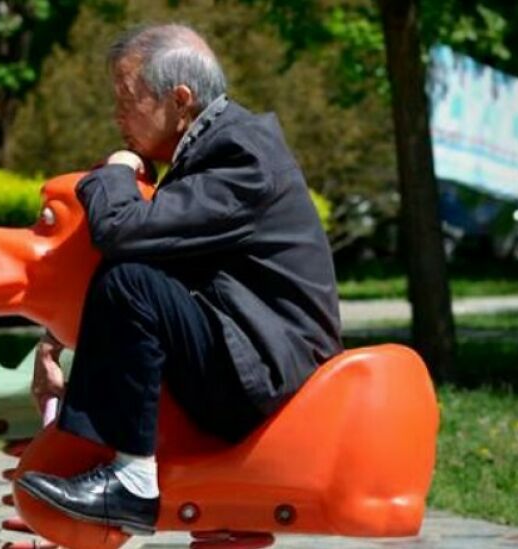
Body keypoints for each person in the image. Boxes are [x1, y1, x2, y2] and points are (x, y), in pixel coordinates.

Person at [18, 23, 342, 535]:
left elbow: (122, 233)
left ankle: (131, 483)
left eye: (127, 100)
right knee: (135, 277)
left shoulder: (241, 155)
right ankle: (114, 467)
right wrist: (52, 342)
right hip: (242, 352)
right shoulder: (212, 149)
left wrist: (116, 170)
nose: (116, 115)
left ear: (181, 99)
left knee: (131, 280)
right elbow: (164, 252)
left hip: (266, 373)